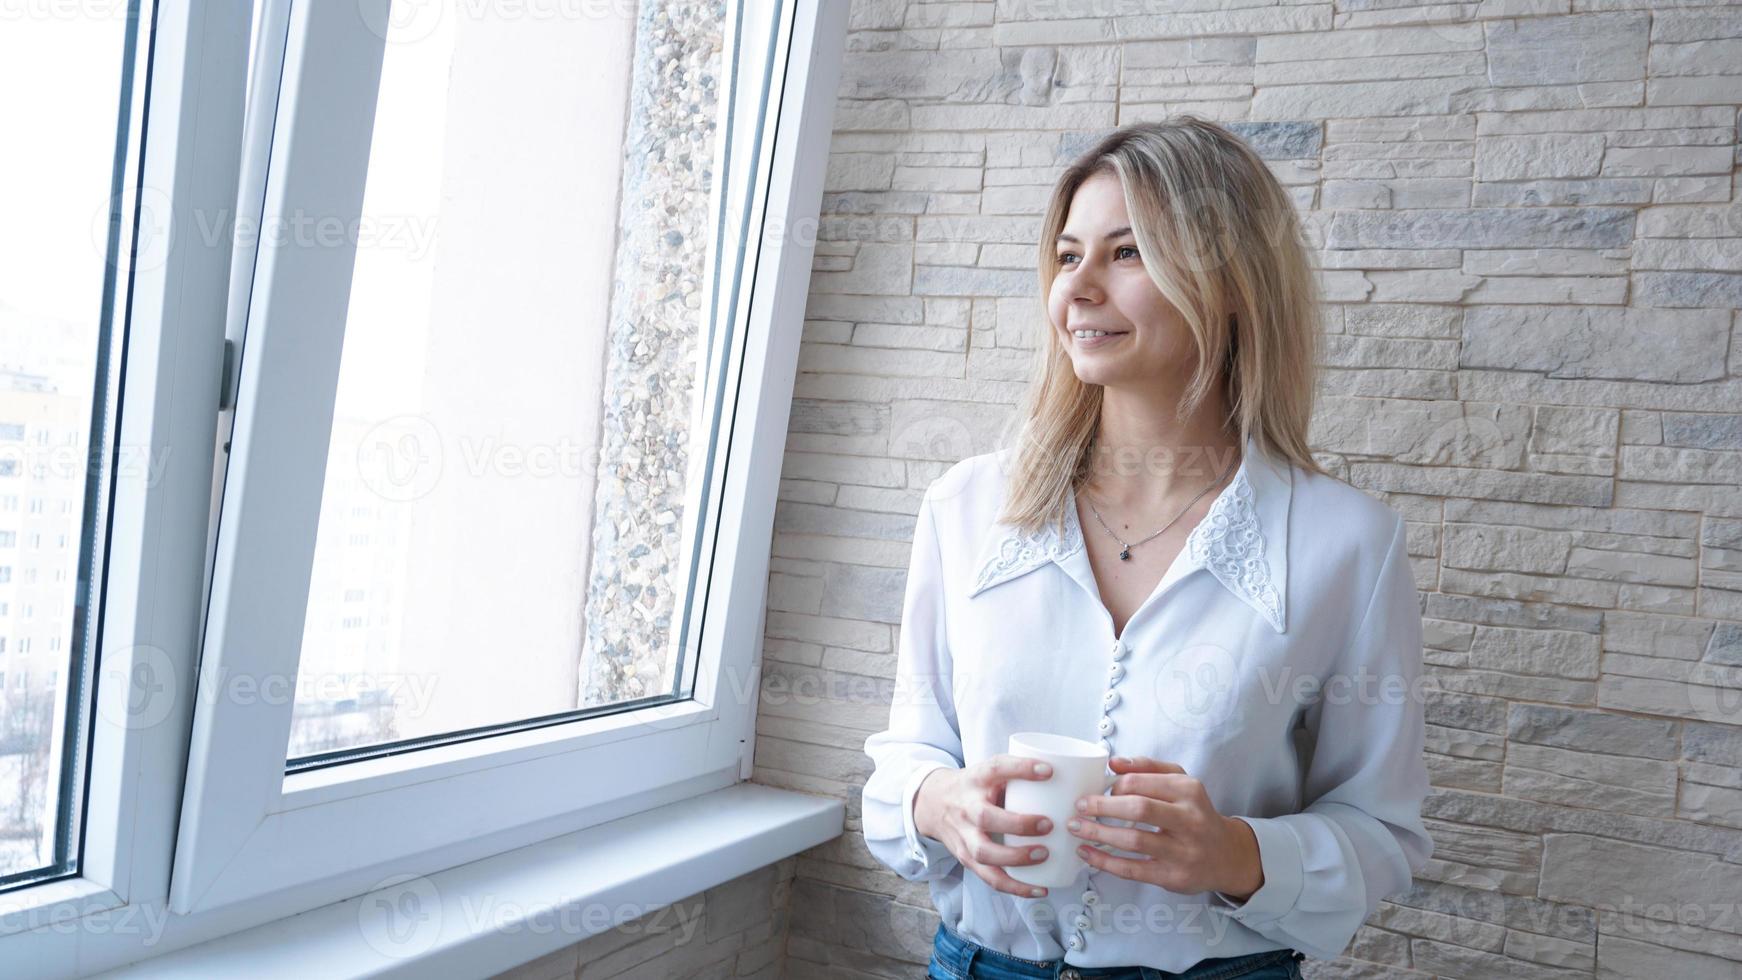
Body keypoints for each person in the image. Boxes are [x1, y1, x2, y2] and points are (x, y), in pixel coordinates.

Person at [860, 116, 1435, 980]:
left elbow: (1381, 832)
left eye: (1126, 253)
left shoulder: (1347, 546)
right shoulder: (965, 506)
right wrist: (940, 804)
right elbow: (909, 750)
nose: (1080, 288)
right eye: (1066, 256)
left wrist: (1237, 855)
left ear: (1232, 281)